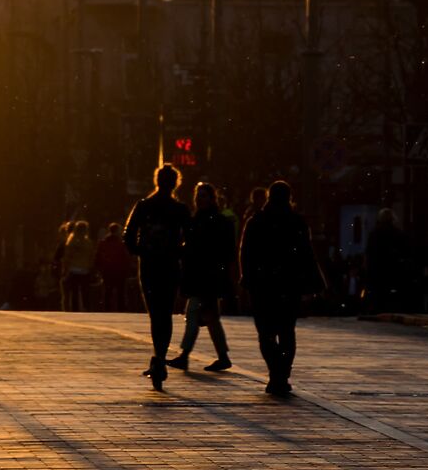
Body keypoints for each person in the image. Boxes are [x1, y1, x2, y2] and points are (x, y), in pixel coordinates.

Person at [241, 178, 323, 397]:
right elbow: (307, 254)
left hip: (262, 286)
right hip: (290, 285)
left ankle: (275, 372)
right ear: (289, 198)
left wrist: (246, 278)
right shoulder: (297, 222)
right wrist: (314, 282)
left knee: (266, 333)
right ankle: (282, 374)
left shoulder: (256, 221)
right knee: (287, 331)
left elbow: (246, 254)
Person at [123, 164, 193, 388]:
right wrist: (177, 251)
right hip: (170, 265)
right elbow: (191, 238)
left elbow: (129, 235)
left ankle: (158, 358)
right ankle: (160, 357)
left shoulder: (144, 206)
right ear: (176, 183)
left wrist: (141, 251)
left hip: (150, 265)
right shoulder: (180, 209)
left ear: (156, 181)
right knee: (166, 312)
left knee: (155, 313)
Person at [171, 181, 235, 371]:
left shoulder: (218, 221)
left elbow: (224, 251)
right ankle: (223, 357)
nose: (200, 199)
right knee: (211, 317)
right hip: (199, 275)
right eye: (198, 196)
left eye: (204, 195)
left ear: (212, 198)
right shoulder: (195, 220)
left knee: (193, 314)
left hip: (208, 276)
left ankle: (184, 356)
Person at [93, 219, 134, 310]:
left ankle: (107, 308)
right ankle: (121, 308)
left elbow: (98, 256)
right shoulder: (121, 244)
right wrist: (128, 269)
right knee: (120, 291)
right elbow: (126, 257)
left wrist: (98, 268)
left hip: (107, 270)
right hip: (119, 271)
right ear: (117, 231)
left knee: (108, 291)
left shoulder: (103, 243)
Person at [62, 219, 96, 311]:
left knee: (75, 291)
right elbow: (91, 257)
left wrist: (65, 269)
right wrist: (91, 267)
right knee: (85, 291)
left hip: (73, 269)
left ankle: (75, 309)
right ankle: (87, 307)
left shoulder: (71, 242)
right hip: (85, 270)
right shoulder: (88, 243)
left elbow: (67, 257)